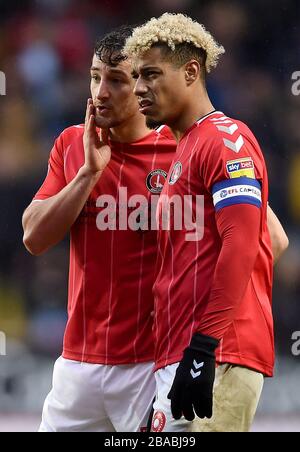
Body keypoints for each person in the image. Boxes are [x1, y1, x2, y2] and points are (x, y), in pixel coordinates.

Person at [125, 13, 288, 432]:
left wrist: (204, 345)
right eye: (136, 75)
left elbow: (242, 243)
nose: (138, 87)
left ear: (191, 71)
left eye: (151, 74)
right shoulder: (186, 149)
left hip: (217, 355)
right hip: (185, 354)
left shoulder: (224, 138)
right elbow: (275, 238)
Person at [22, 25, 175, 433]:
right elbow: (34, 237)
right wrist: (88, 174)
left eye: (116, 81)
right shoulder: (72, 144)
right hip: (77, 365)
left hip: (150, 366)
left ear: (145, 85)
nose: (100, 92)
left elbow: (254, 234)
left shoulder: (183, 150)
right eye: (94, 77)